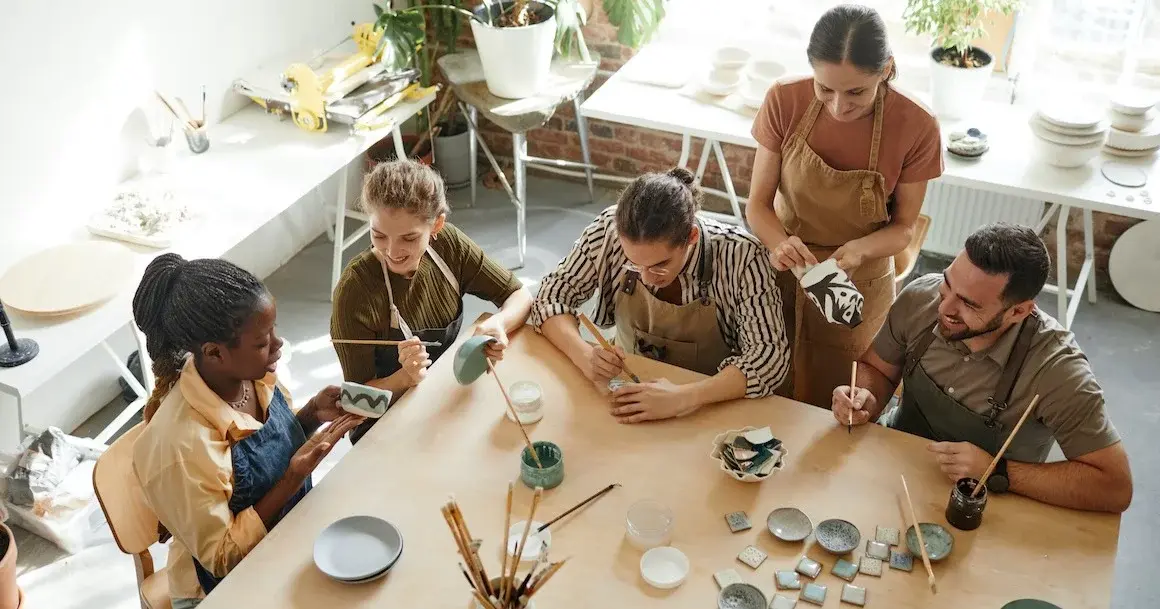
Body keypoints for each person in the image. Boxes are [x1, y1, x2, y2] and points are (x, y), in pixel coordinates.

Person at [833, 224, 1133, 513]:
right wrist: (865, 397)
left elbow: (1115, 486)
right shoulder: (920, 298)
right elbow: (877, 369)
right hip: (894, 470)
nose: (945, 308)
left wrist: (997, 471)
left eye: (969, 304)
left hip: (986, 502)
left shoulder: (1058, 372)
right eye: (947, 285)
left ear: (1018, 311)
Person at [132, 254, 365, 608]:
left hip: (287, 533)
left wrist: (312, 414)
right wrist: (293, 476)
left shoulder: (251, 378)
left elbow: (265, 449)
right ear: (214, 353)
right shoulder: (182, 445)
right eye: (262, 341)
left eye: (272, 331)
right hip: (222, 588)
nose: (278, 344)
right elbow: (222, 558)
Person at [746, 4, 944, 408]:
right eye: (825, 89)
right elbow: (758, 207)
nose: (839, 106)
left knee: (841, 401)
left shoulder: (917, 125)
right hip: (783, 266)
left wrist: (856, 252)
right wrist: (780, 243)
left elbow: (904, 227)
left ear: (886, 68)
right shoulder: (784, 99)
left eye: (856, 92)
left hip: (858, 278)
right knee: (769, 387)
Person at [532, 167, 790, 423]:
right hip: (627, 383)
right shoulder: (607, 231)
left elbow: (769, 358)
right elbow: (550, 298)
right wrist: (585, 356)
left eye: (659, 265)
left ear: (691, 236)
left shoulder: (742, 256)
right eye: (633, 263)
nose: (645, 278)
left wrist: (685, 397)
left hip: (708, 402)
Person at [331, 160, 532, 441]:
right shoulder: (356, 289)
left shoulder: (448, 245)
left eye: (409, 238)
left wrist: (499, 324)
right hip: (388, 429)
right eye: (378, 235)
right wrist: (403, 378)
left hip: (445, 397)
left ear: (437, 224)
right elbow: (355, 405)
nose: (392, 251)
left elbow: (518, 294)